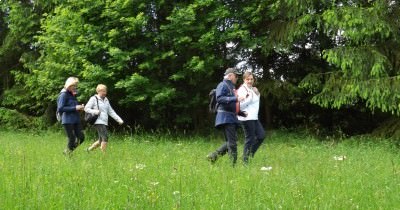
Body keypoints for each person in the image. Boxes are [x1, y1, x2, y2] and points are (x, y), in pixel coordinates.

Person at [207, 67, 246, 165]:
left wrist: (240, 112)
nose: (237, 78)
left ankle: (213, 156)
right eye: (236, 76)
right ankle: (232, 166)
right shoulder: (222, 84)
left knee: (230, 141)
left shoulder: (231, 87)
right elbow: (220, 98)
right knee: (232, 143)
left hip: (230, 117)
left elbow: (231, 103)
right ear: (230, 76)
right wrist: (236, 98)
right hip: (225, 117)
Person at [84, 84, 124, 153]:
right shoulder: (94, 98)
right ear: (98, 91)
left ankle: (88, 150)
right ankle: (103, 155)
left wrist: (119, 119)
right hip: (98, 121)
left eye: (105, 91)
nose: (104, 93)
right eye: (103, 91)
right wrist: (95, 111)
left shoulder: (106, 100)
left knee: (100, 140)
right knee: (105, 137)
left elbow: (111, 111)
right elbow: (86, 108)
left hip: (104, 121)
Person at [237, 72, 265, 163]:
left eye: (251, 79)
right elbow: (240, 106)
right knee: (250, 139)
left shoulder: (252, 89)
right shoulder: (242, 90)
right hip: (246, 117)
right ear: (244, 80)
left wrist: (257, 93)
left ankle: (249, 154)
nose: (250, 81)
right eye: (247, 79)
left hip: (254, 117)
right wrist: (249, 97)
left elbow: (256, 102)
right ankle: (245, 160)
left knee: (261, 136)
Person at [57, 77, 85, 155]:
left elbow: (73, 107)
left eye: (76, 86)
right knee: (72, 139)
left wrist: (80, 107)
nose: (75, 87)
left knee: (81, 138)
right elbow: (60, 108)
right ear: (69, 85)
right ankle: (68, 154)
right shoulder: (63, 95)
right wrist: (75, 107)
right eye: (74, 86)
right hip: (67, 120)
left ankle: (68, 152)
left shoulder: (72, 95)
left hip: (76, 119)